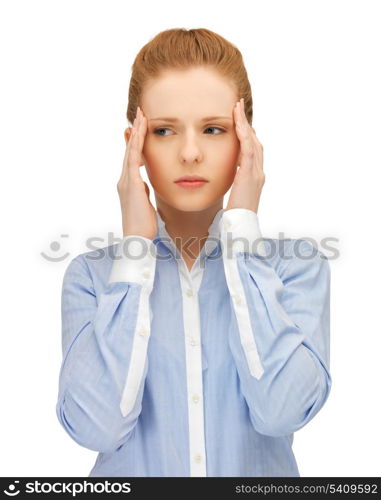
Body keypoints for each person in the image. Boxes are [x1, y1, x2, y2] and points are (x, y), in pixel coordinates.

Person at [55, 28, 331, 477]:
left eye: (213, 129)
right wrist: (134, 252)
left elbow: (282, 412)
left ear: (246, 143)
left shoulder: (297, 268)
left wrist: (242, 234)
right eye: (164, 130)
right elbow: (95, 429)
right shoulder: (92, 275)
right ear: (135, 145)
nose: (189, 153)